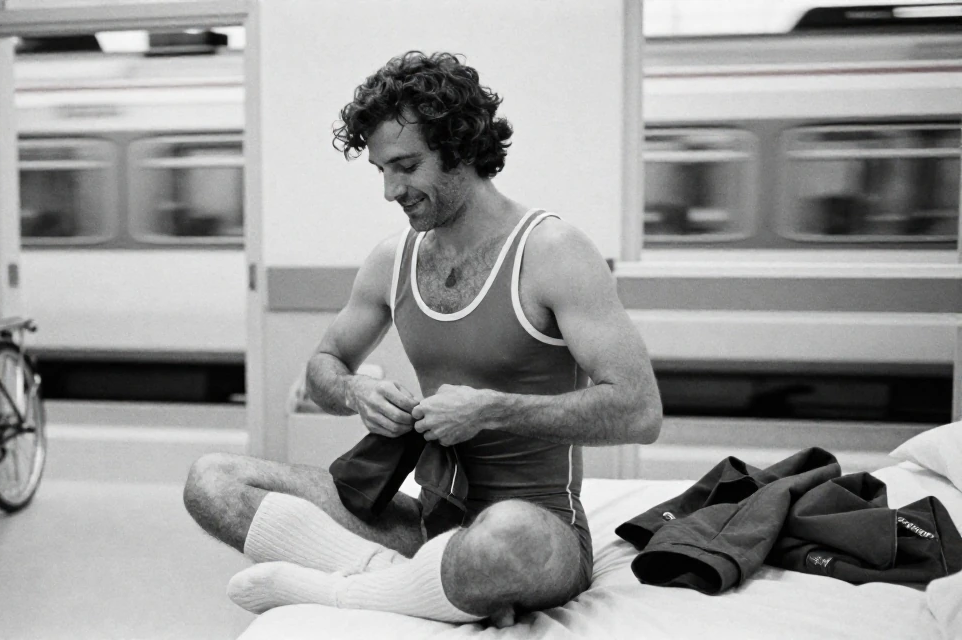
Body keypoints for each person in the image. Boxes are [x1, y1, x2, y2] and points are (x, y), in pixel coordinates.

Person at [183, 51, 662, 628]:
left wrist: (492, 410)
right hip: (430, 520)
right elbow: (323, 365)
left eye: (406, 166)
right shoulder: (392, 260)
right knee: (213, 479)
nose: (390, 189)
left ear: (461, 149)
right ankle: (404, 578)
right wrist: (354, 392)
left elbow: (639, 412)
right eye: (382, 169)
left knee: (503, 539)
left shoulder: (553, 252)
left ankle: (359, 588)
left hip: (537, 525)